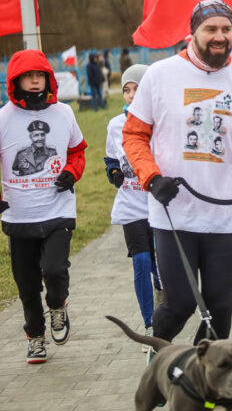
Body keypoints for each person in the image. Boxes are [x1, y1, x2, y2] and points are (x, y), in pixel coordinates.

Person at [122, 0, 232, 347]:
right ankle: (158, 354)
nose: (220, 36)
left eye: (226, 29)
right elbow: (134, 135)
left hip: (226, 218)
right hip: (174, 214)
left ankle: (200, 376)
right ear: (193, 33)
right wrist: (151, 178)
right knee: (180, 304)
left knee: (220, 308)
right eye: (211, 29)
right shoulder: (160, 75)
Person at [0, 49, 88, 363]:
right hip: (19, 214)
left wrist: (71, 172)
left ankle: (58, 305)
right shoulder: (4, 117)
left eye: (40, 75)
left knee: (54, 270)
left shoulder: (64, 113)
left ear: (49, 78)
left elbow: (77, 151)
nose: (35, 81)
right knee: (26, 285)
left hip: (57, 209)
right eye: (28, 76)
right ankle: (35, 336)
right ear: (16, 81)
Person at [104, 64, 162, 343]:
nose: (130, 94)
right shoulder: (115, 125)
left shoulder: (162, 120)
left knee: (159, 265)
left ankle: (163, 294)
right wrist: (114, 172)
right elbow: (111, 159)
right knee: (141, 261)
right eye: (126, 90)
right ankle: (150, 324)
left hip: (159, 205)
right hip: (130, 205)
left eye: (136, 89)